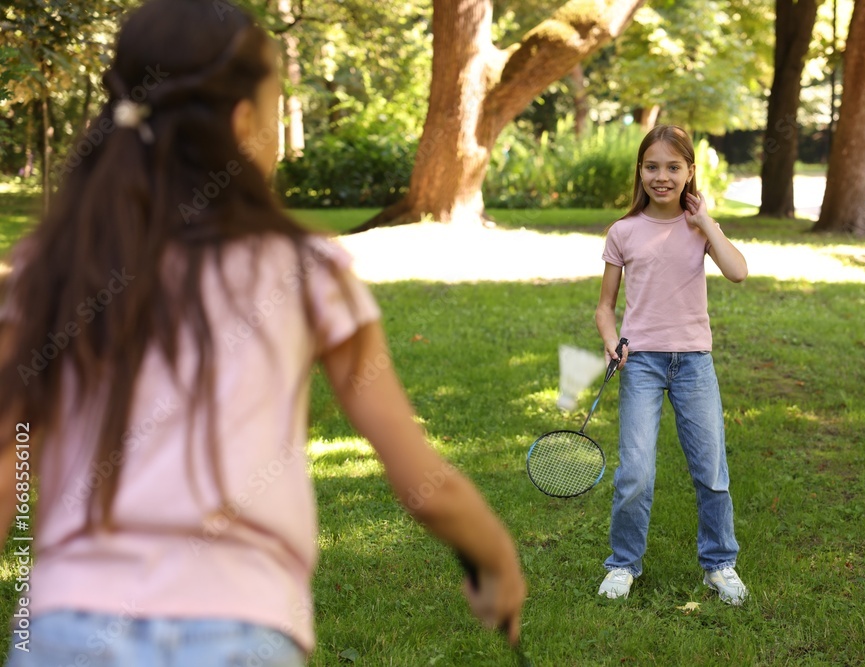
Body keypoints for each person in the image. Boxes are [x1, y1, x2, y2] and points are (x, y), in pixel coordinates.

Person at [0, 1, 525, 664]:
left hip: (69, 628)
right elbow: (421, 479)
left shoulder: (50, 268)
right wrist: (498, 559)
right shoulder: (307, 272)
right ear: (244, 123)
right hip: (240, 630)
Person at [594, 124, 749, 604]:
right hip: (640, 363)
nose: (662, 177)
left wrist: (707, 223)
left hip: (694, 363)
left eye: (673, 167)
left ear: (689, 173)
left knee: (711, 471)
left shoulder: (698, 227)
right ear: (640, 171)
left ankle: (720, 564)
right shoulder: (623, 231)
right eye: (652, 167)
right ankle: (623, 565)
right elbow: (604, 307)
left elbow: (738, 272)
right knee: (635, 472)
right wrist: (609, 341)